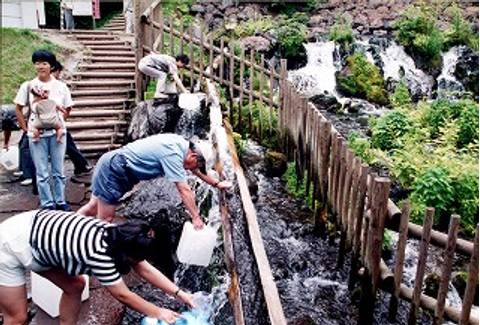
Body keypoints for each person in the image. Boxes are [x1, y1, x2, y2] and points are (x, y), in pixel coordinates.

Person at [0, 209, 195, 325]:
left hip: (37, 234)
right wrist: (158, 312)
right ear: (128, 253)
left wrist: (180, 293)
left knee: (75, 286)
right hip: (9, 246)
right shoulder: (100, 254)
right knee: (17, 317)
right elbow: (123, 295)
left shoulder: (121, 235)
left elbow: (144, 268)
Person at [78, 133, 232, 227]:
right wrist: (196, 218)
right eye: (195, 164)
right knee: (106, 219)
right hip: (114, 170)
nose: (190, 169)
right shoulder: (173, 155)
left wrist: (217, 184)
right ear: (193, 156)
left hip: (113, 163)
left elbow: (196, 169)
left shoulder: (181, 144)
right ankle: (95, 255)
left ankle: (70, 226)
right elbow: (184, 189)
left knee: (92, 207)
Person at [14, 50, 73, 211]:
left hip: (57, 135)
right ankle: (47, 203)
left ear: (51, 66)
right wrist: (26, 128)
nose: (41, 66)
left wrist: (58, 122)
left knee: (58, 170)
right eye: (38, 63)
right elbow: (18, 108)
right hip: (36, 134)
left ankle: (61, 201)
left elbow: (68, 108)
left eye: (44, 63)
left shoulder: (61, 86)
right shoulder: (28, 86)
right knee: (41, 172)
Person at [51, 61, 92, 177]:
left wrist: (61, 120)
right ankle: (81, 165)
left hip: (53, 122)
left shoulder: (59, 86)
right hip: (47, 123)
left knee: (67, 143)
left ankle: (81, 165)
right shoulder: (41, 85)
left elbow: (68, 107)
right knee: (67, 144)